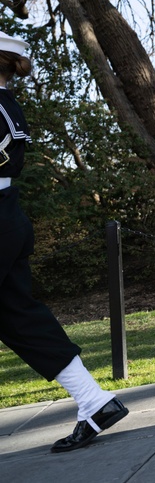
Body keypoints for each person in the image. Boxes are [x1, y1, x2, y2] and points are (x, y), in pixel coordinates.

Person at [0, 31, 129, 452]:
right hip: (7, 214)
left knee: (20, 316)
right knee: (20, 319)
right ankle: (95, 402)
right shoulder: (8, 105)